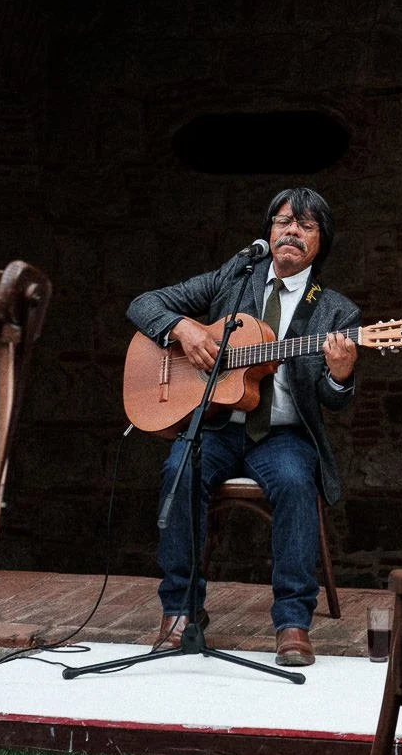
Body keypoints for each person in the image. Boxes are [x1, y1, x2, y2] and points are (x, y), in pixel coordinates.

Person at [126, 188, 358, 666]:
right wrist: (184, 330)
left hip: (283, 437)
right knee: (179, 471)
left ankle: (292, 622)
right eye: (282, 221)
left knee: (296, 482)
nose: (291, 231)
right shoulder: (233, 277)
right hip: (217, 428)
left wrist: (340, 375)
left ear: (321, 241)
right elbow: (144, 304)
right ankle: (181, 611)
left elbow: (335, 402)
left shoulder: (336, 311)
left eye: (306, 225)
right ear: (269, 232)